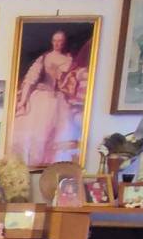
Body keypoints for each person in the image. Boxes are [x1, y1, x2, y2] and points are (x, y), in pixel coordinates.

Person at [11, 30, 88, 167]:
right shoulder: (45, 57)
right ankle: (36, 165)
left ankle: (52, 167)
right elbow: (30, 79)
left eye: (60, 41)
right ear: (52, 42)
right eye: (55, 41)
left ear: (64, 43)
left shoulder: (69, 60)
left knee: (60, 134)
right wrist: (23, 101)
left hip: (60, 100)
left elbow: (74, 78)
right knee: (39, 134)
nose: (58, 44)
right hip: (42, 99)